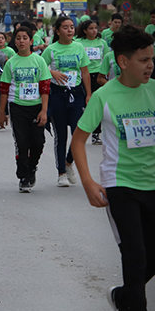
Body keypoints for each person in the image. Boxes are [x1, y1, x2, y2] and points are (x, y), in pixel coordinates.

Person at [71, 25, 155, 311]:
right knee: (136, 258)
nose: (151, 65)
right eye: (143, 60)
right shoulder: (105, 95)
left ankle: (123, 296)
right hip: (118, 184)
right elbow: (78, 140)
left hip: (150, 184)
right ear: (123, 62)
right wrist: (89, 183)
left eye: (152, 58)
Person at [0, 26, 51, 193]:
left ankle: (32, 167)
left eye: (24, 38)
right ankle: (23, 176)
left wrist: (44, 111)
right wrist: (2, 113)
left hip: (36, 107)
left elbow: (45, 88)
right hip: (17, 108)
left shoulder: (39, 61)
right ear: (15, 41)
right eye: (18, 38)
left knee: (38, 142)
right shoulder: (11, 63)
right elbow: (4, 90)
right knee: (21, 143)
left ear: (31, 40)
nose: (21, 41)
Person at [42, 16, 91, 187]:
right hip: (57, 94)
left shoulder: (79, 48)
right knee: (61, 135)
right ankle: (61, 172)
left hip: (76, 94)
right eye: (65, 27)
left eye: (72, 27)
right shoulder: (51, 49)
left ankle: (69, 162)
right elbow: (41, 69)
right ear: (57, 30)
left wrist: (88, 94)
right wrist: (52, 73)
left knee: (79, 132)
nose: (70, 30)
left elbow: (84, 72)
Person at [75, 20, 109, 144]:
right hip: (83, 76)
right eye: (91, 28)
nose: (94, 30)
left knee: (97, 105)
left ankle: (96, 134)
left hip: (98, 76)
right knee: (83, 104)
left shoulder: (102, 43)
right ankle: (80, 131)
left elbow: (107, 60)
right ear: (85, 31)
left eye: (95, 28)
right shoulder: (78, 43)